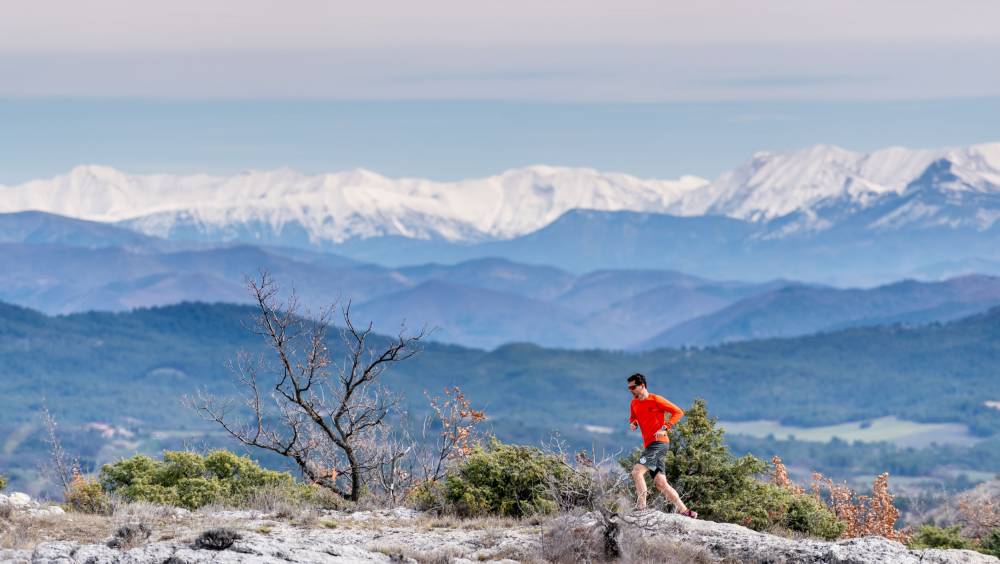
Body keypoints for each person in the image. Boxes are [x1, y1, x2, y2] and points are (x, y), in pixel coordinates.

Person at [627, 372, 697, 517]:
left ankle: (641, 508)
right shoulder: (634, 403)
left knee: (637, 471)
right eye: (629, 388)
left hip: (659, 443)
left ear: (642, 386)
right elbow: (633, 417)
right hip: (650, 445)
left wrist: (665, 427)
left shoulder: (656, 399)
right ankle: (686, 511)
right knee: (660, 483)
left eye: (633, 387)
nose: (631, 390)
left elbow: (678, 412)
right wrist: (633, 423)